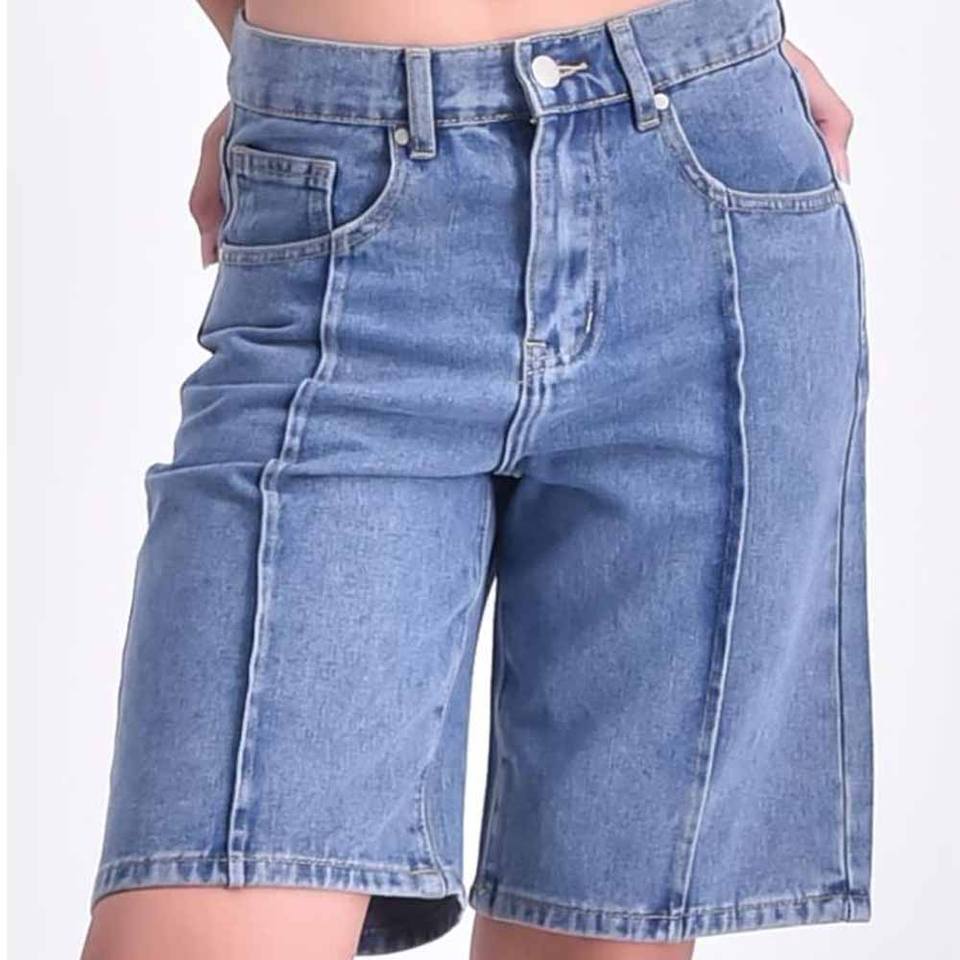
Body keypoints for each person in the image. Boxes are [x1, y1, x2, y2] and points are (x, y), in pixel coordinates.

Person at [81, 0, 871, 957]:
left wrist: (709, 57)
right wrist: (310, 78)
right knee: (215, 878)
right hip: (342, 200)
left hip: (707, 192)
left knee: (602, 922)